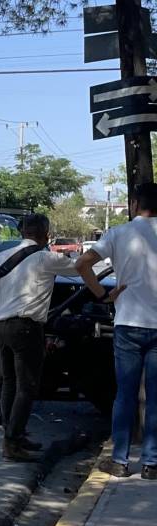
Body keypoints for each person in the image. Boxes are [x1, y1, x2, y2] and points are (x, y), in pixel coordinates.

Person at [75, 182, 156, 479]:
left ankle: (120, 461)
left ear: (134, 204)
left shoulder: (118, 234)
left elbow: (82, 264)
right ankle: (152, 463)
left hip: (129, 324)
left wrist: (101, 294)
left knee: (125, 394)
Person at [0, 214, 78, 461]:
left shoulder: (0, 257)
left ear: (22, 232)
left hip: (0, 325)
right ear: (46, 233)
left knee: (10, 383)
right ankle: (11, 443)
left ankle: (14, 434)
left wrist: (6, 305)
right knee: (27, 386)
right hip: (26, 328)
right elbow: (80, 268)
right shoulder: (47, 258)